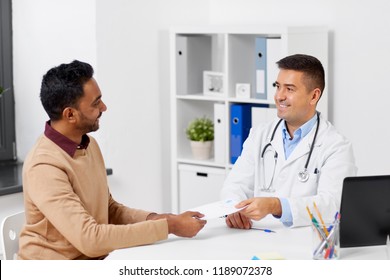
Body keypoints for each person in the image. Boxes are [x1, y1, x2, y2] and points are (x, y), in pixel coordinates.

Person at [18, 60, 206, 260]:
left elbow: (109, 209)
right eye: (96, 103)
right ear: (70, 114)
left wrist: (157, 218)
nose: (104, 107)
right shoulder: (44, 166)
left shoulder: (88, 145)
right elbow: (90, 239)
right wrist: (169, 227)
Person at [221, 54, 357, 229]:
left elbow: (332, 205)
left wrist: (276, 206)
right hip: (255, 236)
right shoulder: (260, 135)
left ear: (314, 96)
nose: (279, 96)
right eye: (278, 87)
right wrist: (234, 209)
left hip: (304, 244)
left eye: (289, 89)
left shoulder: (336, 146)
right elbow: (235, 184)